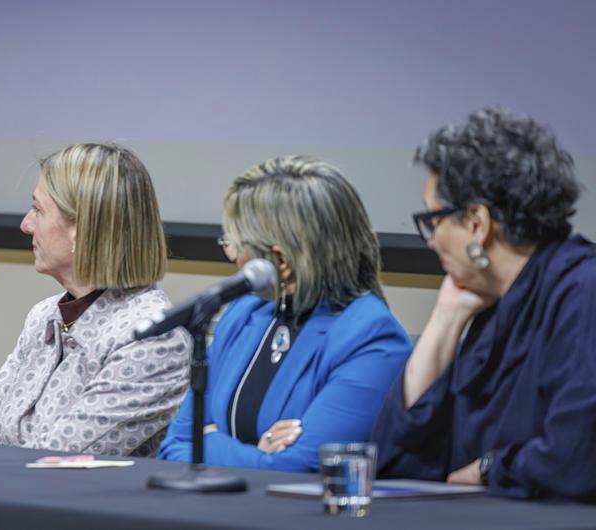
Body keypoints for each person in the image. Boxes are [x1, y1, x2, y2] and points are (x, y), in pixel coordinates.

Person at [373, 108, 596, 501]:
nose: (429, 241)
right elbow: (395, 463)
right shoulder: (489, 303)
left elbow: (573, 460)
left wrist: (493, 466)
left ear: (477, 222)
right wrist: (444, 319)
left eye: (433, 220)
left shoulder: (583, 292)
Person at [158, 156, 411, 471]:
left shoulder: (371, 337)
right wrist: (260, 455)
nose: (232, 255)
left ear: (280, 260)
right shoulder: (244, 314)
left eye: (236, 244)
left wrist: (210, 440)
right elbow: (172, 447)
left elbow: (301, 468)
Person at [0, 143, 190, 457]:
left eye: (39, 210)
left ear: (81, 230)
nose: (26, 225)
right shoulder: (45, 315)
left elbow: (56, 460)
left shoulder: (153, 337)